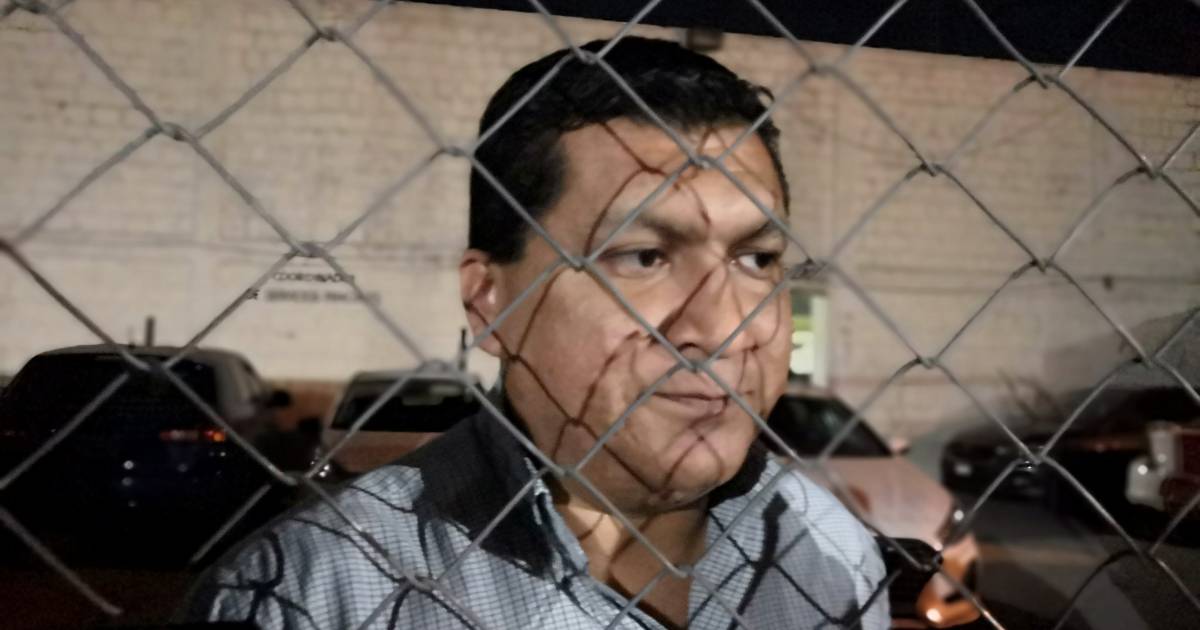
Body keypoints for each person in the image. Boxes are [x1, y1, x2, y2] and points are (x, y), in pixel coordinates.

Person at [181, 36, 889, 629]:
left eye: (755, 259)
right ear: (489, 302)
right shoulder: (309, 596)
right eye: (644, 257)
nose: (724, 327)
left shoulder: (833, 554)